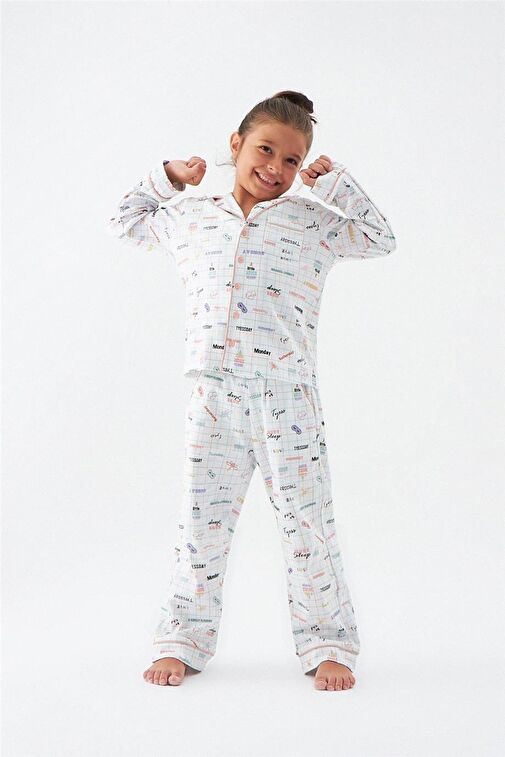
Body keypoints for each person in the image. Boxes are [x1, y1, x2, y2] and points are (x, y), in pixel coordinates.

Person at [107, 90, 397, 691]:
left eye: (292, 161)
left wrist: (334, 183)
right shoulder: (191, 215)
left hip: (287, 396)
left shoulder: (312, 222)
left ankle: (327, 642)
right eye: (266, 150)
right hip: (213, 395)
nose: (276, 168)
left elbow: (380, 237)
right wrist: (168, 178)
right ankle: (182, 639)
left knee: (307, 523)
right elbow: (124, 221)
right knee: (200, 526)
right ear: (236, 145)